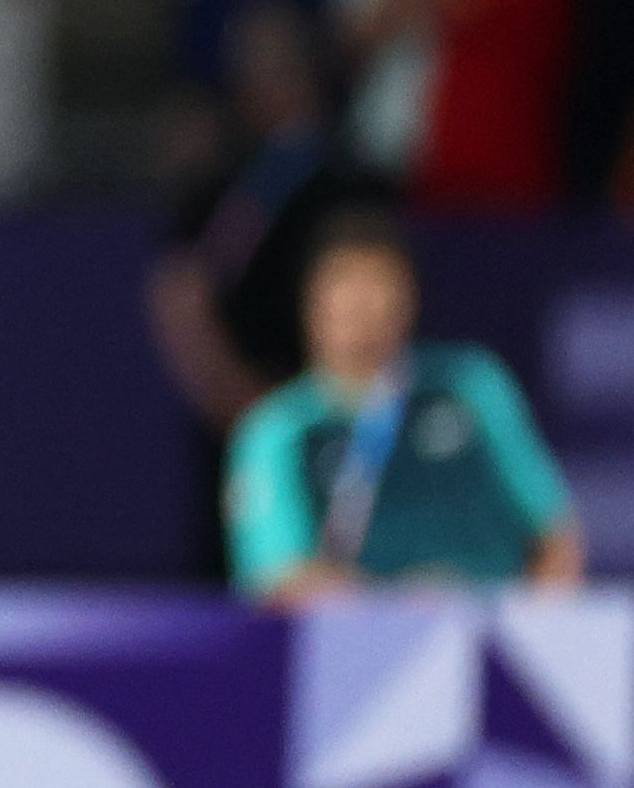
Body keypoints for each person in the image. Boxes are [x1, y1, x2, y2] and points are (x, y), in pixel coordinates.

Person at [226, 207, 586, 606]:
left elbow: (555, 533)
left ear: (409, 296)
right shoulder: (279, 429)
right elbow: (281, 579)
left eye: (379, 284)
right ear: (311, 301)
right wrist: (402, 610)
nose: (362, 306)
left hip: (490, 636)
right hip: (362, 650)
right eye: (344, 284)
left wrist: (531, 624)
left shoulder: (470, 385)